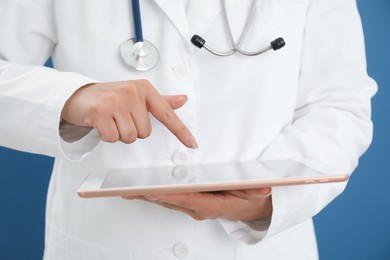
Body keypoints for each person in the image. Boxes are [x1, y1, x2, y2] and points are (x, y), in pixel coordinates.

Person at [0, 0, 376, 259]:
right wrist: (70, 99)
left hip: (263, 247)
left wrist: (270, 200)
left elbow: (340, 103)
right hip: (104, 242)